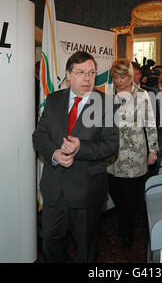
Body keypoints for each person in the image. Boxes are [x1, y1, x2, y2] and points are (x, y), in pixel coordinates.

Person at [32, 51, 119, 263]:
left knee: (86, 249)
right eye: (80, 72)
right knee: (50, 244)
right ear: (68, 75)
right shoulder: (53, 100)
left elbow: (111, 145)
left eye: (91, 72)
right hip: (54, 189)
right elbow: (39, 135)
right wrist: (54, 154)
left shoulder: (105, 103)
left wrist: (81, 148)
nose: (87, 78)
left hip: (87, 190)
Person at [107, 59, 159, 249]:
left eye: (122, 77)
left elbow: (150, 124)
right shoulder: (108, 92)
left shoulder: (142, 95)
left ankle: (127, 231)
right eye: (115, 77)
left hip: (134, 152)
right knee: (114, 189)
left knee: (129, 195)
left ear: (130, 76)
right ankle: (127, 217)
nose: (119, 81)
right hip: (111, 153)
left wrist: (153, 149)